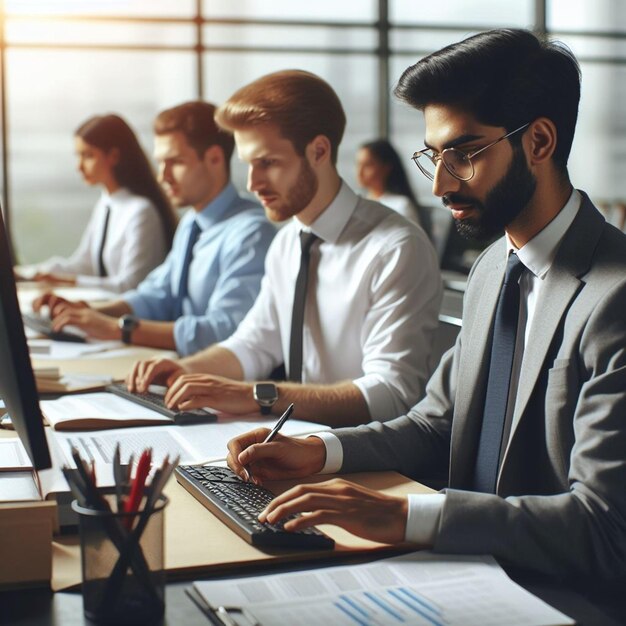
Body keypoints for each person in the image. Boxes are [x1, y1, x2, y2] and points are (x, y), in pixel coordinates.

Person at [225, 30, 626, 581]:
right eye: (434, 157)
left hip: (558, 591)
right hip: (461, 569)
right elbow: (438, 426)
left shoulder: (615, 296)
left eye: (463, 155)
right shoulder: (492, 268)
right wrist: (318, 451)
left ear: (539, 142)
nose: (440, 184)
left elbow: (604, 526)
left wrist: (405, 515)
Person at [126, 70, 442, 426]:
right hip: (294, 442)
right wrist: (183, 370)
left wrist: (254, 396)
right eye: (248, 165)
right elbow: (255, 343)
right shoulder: (287, 242)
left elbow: (391, 394)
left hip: (362, 461)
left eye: (268, 163)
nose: (252, 183)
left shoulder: (395, 248)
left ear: (319, 151)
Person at [33, 102, 275, 356]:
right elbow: (157, 295)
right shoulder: (192, 223)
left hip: (211, 378)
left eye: (175, 162)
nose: (163, 176)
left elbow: (224, 330)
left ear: (214, 158)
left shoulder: (251, 234)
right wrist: (88, 312)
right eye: (161, 163)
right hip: (174, 364)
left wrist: (119, 329)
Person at [19, 114, 177, 293]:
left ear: (114, 156)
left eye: (88, 156)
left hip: (128, 314)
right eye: (78, 156)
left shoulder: (141, 211)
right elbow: (84, 264)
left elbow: (131, 285)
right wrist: (28, 273)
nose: (79, 166)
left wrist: (68, 282)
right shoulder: (106, 204)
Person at [356, 138, 431, 236]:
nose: (359, 172)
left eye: (368, 165)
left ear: (386, 168)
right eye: (358, 164)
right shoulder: (358, 203)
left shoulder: (400, 205)